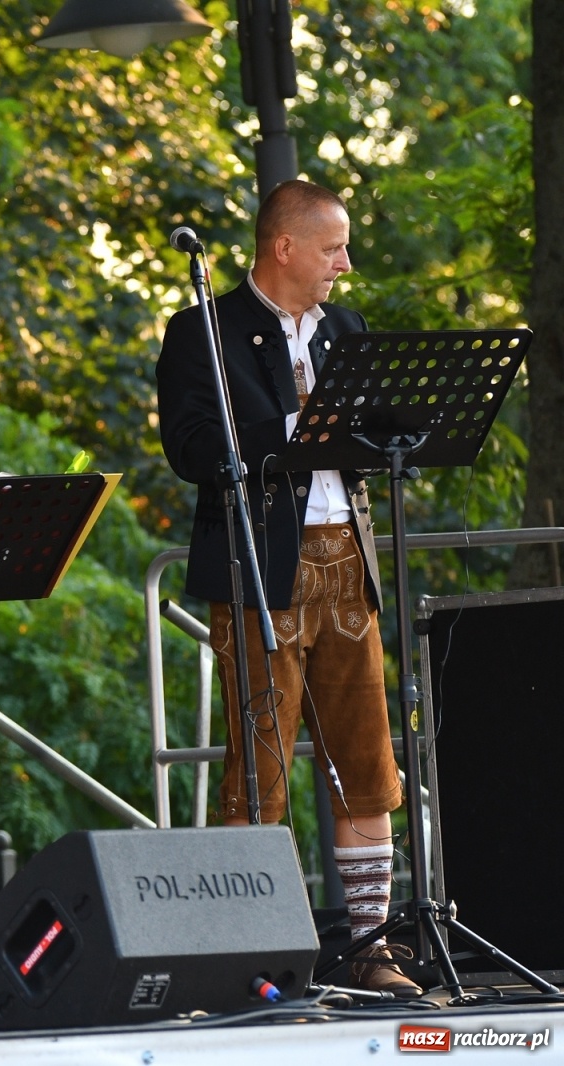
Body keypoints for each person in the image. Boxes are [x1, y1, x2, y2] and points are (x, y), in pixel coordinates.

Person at [155, 180, 417, 996]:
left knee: (368, 765)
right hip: (260, 565)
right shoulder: (204, 329)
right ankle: (257, 955)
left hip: (348, 559)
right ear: (286, 248)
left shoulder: (347, 329)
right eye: (334, 246)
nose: (346, 262)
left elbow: (370, 439)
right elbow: (193, 449)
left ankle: (370, 949)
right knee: (258, 771)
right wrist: (305, 425)